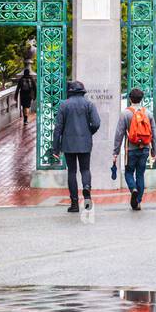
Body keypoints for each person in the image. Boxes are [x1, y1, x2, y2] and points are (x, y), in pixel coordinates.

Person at [52, 79, 100, 213]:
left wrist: (56, 147)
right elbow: (96, 123)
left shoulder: (64, 105)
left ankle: (74, 204)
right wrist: (89, 132)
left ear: (70, 92)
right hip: (85, 142)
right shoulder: (89, 104)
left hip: (68, 144)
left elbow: (58, 128)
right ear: (82, 92)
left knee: (72, 172)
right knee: (85, 169)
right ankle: (87, 191)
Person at [112, 88, 156, 210]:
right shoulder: (148, 113)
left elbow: (119, 134)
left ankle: (133, 189)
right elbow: (153, 133)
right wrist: (154, 151)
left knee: (128, 172)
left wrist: (115, 152)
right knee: (140, 174)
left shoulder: (125, 113)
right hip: (145, 149)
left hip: (130, 149)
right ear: (141, 99)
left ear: (130, 99)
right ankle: (138, 201)